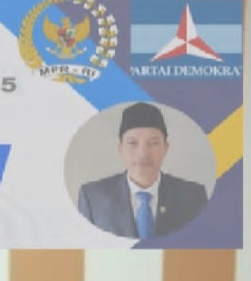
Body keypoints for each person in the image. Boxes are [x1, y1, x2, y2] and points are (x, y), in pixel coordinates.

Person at [77, 102, 208, 239]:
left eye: (153, 143)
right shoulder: (93, 198)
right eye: (133, 143)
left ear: (165, 148)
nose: (143, 153)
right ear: (120, 149)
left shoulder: (193, 197)